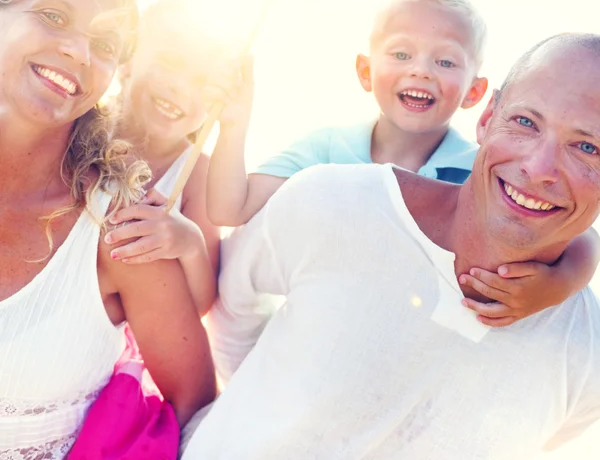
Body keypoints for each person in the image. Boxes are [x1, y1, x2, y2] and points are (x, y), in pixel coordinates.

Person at [182, 33, 600, 459]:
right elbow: (233, 306)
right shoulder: (332, 201)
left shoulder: (588, 356)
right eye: (526, 122)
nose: (538, 167)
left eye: (587, 147)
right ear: (488, 117)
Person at [205, 0, 598, 325]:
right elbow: (229, 208)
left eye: (444, 61)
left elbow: (582, 236)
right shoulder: (325, 154)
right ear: (365, 70)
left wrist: (558, 285)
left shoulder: (480, 173)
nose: (421, 71)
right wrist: (234, 124)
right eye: (400, 54)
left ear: (474, 94)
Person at [0, 0, 215, 459]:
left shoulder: (117, 225)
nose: (78, 51)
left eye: (105, 43)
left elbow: (196, 405)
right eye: (54, 16)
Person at [101, 0, 221, 315]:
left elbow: (198, 305)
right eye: (169, 62)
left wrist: (190, 244)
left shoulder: (197, 173)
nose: (181, 88)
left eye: (202, 82)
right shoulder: (81, 128)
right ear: (128, 59)